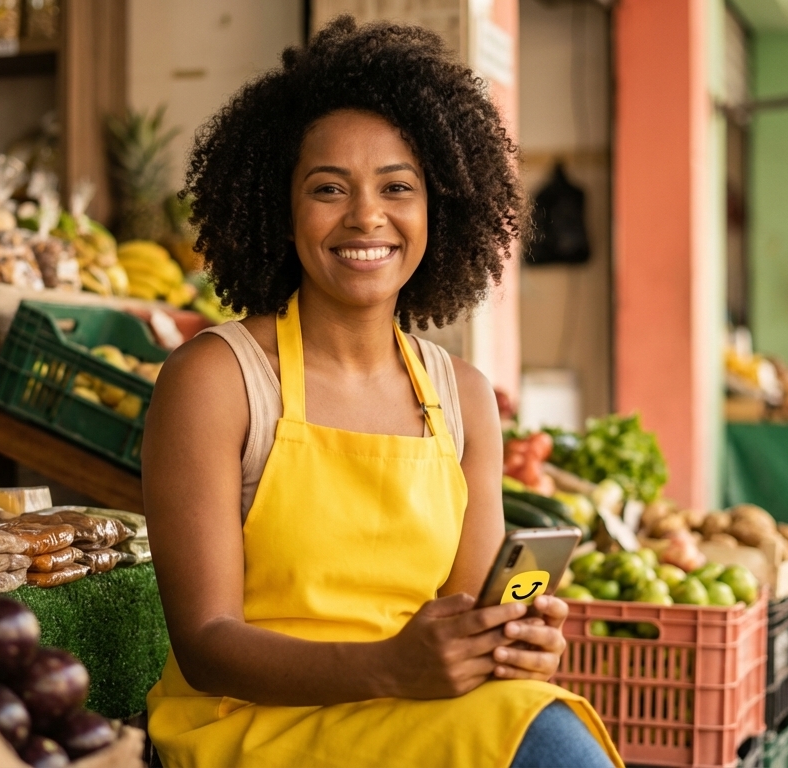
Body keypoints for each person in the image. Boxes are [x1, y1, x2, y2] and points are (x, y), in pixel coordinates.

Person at [140, 17, 622, 768]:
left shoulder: (462, 398)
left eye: (398, 187)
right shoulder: (218, 378)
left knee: (551, 728)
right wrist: (389, 667)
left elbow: (468, 618)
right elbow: (206, 647)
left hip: (409, 714)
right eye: (328, 188)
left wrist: (510, 645)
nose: (367, 216)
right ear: (280, 209)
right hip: (257, 726)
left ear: (440, 208)